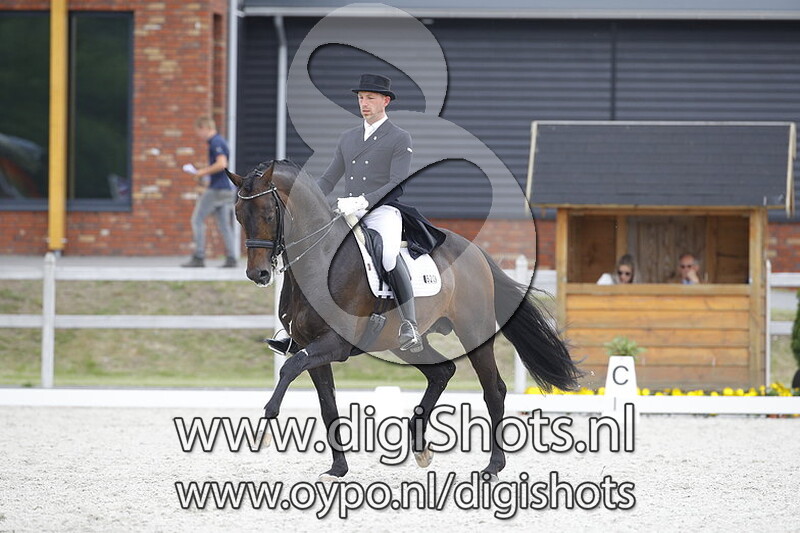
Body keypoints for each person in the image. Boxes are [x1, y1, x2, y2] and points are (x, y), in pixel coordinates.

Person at [314, 73, 444, 352]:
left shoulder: (399, 137)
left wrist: (363, 201)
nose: (364, 103)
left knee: (387, 256)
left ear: (385, 101)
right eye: (361, 98)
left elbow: (397, 182)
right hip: (348, 211)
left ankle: (409, 323)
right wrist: (307, 197)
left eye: (370, 98)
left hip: (381, 211)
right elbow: (329, 178)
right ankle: (303, 324)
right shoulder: (348, 138)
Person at [181, 117, 238, 268]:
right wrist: (207, 178)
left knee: (197, 219)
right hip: (226, 189)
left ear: (204, 127)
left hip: (217, 190)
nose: (199, 135)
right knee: (224, 225)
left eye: (198, 131)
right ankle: (232, 258)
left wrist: (201, 172)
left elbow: (222, 164)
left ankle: (199, 257)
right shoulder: (220, 141)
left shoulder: (215, 142)